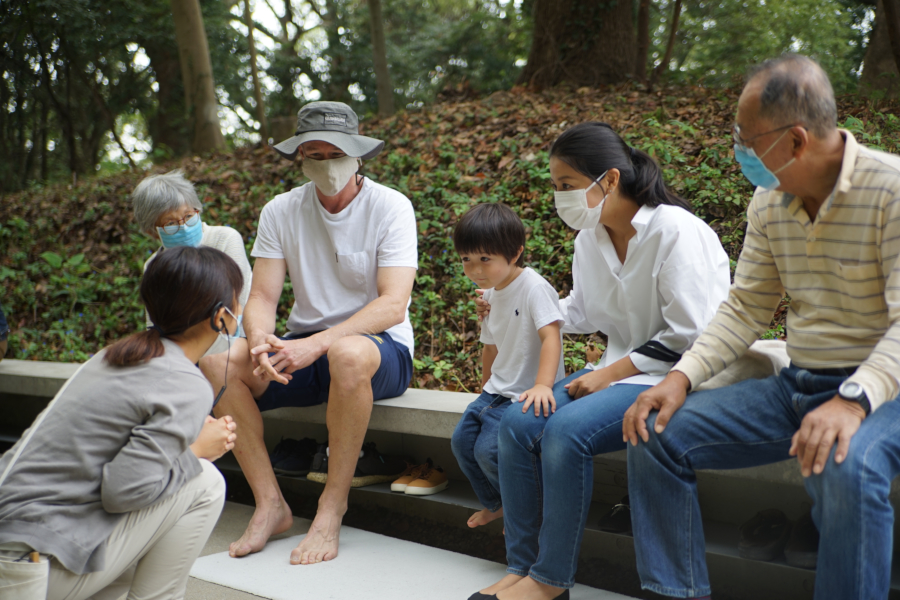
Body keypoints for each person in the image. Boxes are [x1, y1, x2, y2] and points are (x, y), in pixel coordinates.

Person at [622, 54, 900, 600]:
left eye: (748, 139)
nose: (739, 150)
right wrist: (681, 378)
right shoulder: (768, 201)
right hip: (798, 386)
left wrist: (851, 401)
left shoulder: (890, 190)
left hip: (881, 392)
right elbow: (746, 305)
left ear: (795, 140)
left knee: (846, 468)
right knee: (654, 435)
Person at [470, 122, 731, 600]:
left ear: (609, 180)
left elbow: (693, 334)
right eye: (555, 186)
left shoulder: (675, 231)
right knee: (518, 422)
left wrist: (607, 373)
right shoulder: (589, 240)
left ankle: (549, 583)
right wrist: (511, 302)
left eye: (566, 185)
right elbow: (579, 313)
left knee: (567, 433)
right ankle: (522, 567)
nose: (559, 197)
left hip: (678, 376)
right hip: (619, 374)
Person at [200, 100, 417, 565]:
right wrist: (260, 340)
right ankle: (271, 504)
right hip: (302, 348)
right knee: (217, 362)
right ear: (299, 157)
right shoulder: (281, 211)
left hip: (380, 350)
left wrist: (317, 343)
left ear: (358, 155)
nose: (326, 166)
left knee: (348, 355)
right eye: (314, 156)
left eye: (336, 154)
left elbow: (392, 304)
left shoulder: (391, 206)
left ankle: (330, 508)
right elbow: (260, 298)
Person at [0, 246, 241, 600]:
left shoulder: (116, 355)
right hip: (24, 568)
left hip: (16, 541)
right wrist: (196, 451)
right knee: (205, 483)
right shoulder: (184, 381)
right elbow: (124, 492)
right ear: (221, 317)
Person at [450, 202, 564, 528]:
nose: (475, 269)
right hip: (496, 391)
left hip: (526, 392)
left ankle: (526, 513)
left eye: (485, 259)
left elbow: (551, 337)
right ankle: (498, 503)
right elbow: (491, 346)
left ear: (514, 254)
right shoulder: (490, 296)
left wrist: (543, 385)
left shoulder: (534, 288)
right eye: (467, 260)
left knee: (488, 451)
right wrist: (483, 387)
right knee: (461, 442)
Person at [132, 169, 252, 355]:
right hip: (180, 352)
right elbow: (154, 325)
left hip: (231, 344)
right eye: (170, 224)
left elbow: (238, 306)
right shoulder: (154, 265)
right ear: (152, 232)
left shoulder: (225, 240)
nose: (184, 227)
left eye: (188, 216)